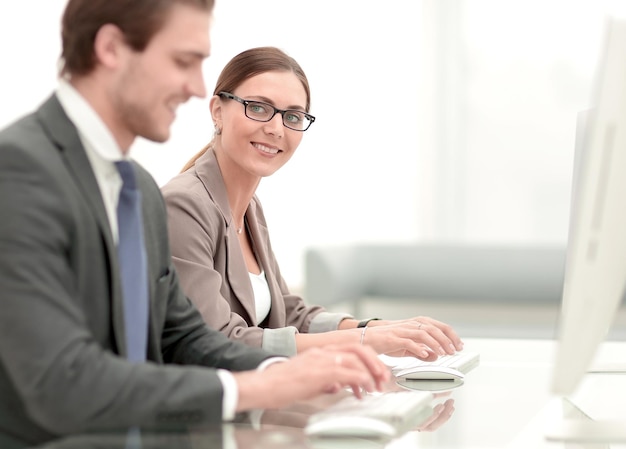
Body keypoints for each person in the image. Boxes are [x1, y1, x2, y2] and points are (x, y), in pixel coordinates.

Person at [0, 1, 389, 446]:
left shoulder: (138, 190)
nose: (197, 87)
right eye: (183, 61)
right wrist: (255, 386)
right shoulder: (19, 170)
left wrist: (290, 370)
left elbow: (184, 336)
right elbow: (61, 379)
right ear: (110, 48)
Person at [161, 46, 465, 359]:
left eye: (292, 116)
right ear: (217, 110)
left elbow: (290, 315)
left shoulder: (248, 207)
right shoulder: (185, 206)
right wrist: (363, 343)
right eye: (259, 107)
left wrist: (377, 329)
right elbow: (214, 340)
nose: (276, 129)